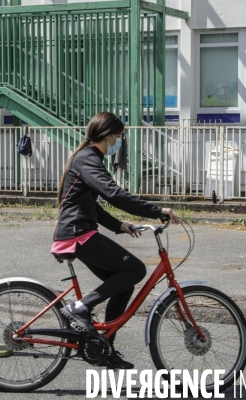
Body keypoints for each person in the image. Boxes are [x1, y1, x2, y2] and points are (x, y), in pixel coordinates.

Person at [51, 111, 179, 369]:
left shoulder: (87, 158)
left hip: (79, 231)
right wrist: (157, 210)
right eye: (118, 136)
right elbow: (114, 194)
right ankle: (80, 307)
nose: (119, 141)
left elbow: (92, 206)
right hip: (78, 234)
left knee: (123, 283)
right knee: (136, 269)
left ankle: (105, 346)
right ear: (108, 135)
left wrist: (120, 225)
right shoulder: (88, 159)